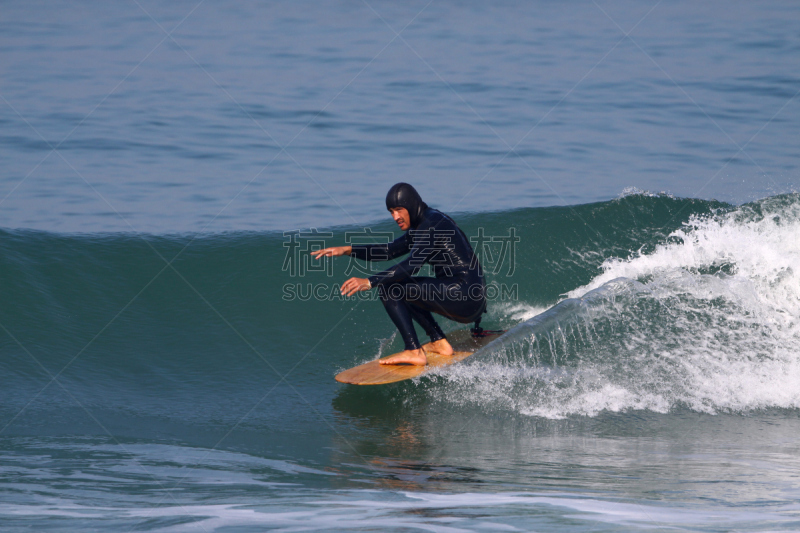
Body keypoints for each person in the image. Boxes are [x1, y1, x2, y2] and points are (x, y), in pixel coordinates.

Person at [311, 183, 486, 366]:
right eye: (391, 212)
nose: (395, 217)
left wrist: (370, 282)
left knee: (390, 288)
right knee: (401, 285)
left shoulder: (430, 225)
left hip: (464, 295)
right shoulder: (425, 222)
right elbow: (390, 250)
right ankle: (439, 342)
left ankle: (413, 350)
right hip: (472, 299)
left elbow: (412, 265)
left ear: (411, 205)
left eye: (399, 210)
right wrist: (348, 250)